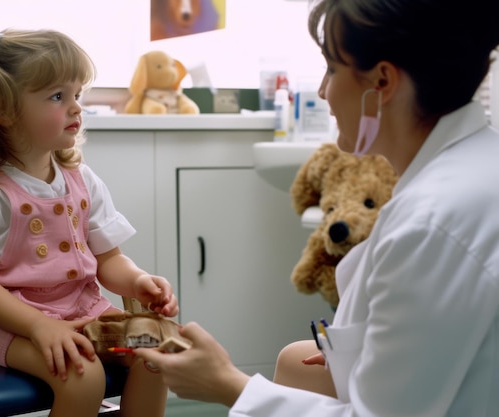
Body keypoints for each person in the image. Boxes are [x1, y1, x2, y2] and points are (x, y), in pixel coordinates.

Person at [136, 0, 499, 415]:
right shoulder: (475, 165)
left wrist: (228, 384)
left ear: (381, 81)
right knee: (295, 359)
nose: (324, 92)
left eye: (331, 69)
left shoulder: (431, 224)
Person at [0, 29, 179, 417]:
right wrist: (37, 326)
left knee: (158, 351)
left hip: (82, 310)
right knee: (82, 374)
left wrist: (137, 281)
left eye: (77, 94)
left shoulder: (82, 180)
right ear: (4, 110)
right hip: (8, 323)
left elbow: (109, 259)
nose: (77, 107)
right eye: (57, 96)